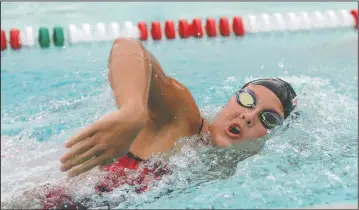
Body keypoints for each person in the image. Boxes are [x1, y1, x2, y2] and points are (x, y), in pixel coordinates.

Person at [42, 38, 298, 209]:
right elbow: (128, 46)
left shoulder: (236, 168)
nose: (248, 115)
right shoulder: (183, 120)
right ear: (229, 100)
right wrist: (132, 111)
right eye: (247, 99)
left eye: (269, 118)